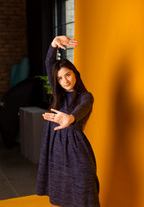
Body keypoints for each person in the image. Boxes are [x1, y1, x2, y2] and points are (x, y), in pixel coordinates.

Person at [36, 36, 100, 207]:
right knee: (61, 194)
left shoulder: (85, 97)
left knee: (83, 195)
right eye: (60, 78)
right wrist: (53, 43)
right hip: (56, 150)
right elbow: (49, 64)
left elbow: (83, 107)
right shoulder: (60, 96)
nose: (65, 80)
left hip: (76, 151)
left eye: (67, 74)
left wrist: (70, 118)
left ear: (75, 73)